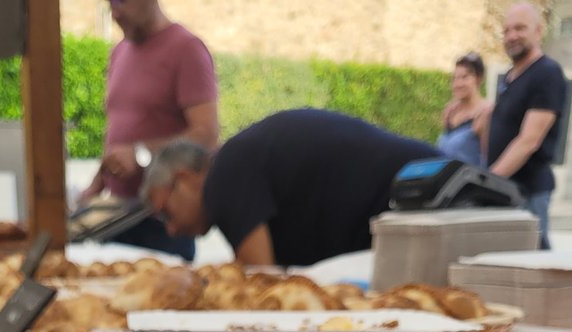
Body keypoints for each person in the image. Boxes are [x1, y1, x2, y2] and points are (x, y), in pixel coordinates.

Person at [142, 108, 436, 268]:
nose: (170, 230)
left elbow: (264, 282)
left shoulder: (223, 176)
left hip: (431, 196)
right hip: (431, 186)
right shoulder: (236, 167)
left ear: (185, 177)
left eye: (165, 213)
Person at [80, 0, 219, 261]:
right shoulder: (119, 52)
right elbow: (119, 130)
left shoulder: (186, 49)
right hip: (116, 217)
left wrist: (141, 154)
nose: (115, 12)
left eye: (122, 2)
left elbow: (207, 134)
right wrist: (95, 185)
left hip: (162, 221)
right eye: (110, 3)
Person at [486, 2, 567, 248]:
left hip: (528, 192)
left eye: (520, 28)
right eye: (507, 30)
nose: (512, 36)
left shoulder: (546, 73)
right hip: (508, 190)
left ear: (538, 31)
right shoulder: (511, 77)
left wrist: (487, 182)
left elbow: (528, 141)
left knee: (533, 267)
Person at [437, 52, 490, 165]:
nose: (458, 83)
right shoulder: (450, 112)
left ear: (478, 78)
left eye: (464, 77)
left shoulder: (486, 113)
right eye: (455, 78)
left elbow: (489, 160)